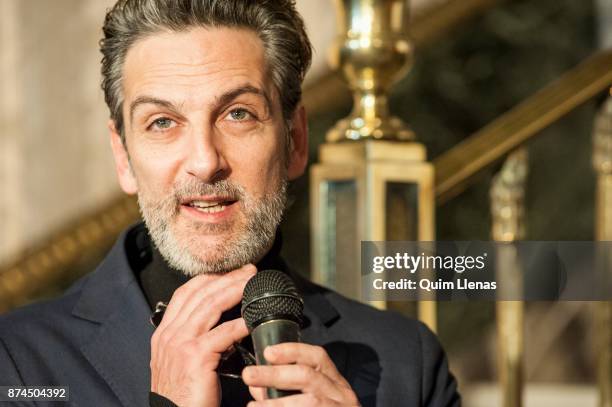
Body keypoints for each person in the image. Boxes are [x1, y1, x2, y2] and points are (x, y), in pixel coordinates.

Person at [0, 1, 461, 406]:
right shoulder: (18, 362)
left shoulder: (408, 365)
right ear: (123, 155)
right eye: (162, 122)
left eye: (238, 114)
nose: (205, 162)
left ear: (295, 140)